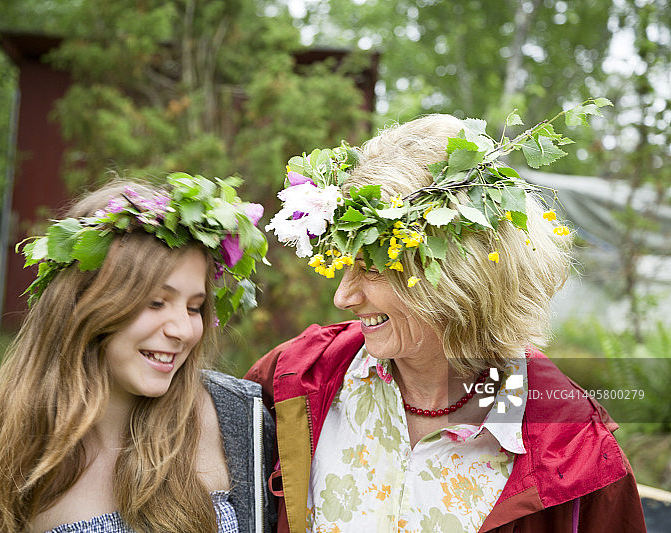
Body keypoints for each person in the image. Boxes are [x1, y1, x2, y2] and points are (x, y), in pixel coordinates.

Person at [251, 108, 646, 532]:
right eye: (346, 263)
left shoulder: (577, 452)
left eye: (372, 268)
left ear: (457, 277)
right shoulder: (295, 378)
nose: (343, 296)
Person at [0, 174, 276, 533]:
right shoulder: (5, 445)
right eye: (156, 303)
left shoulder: (237, 420)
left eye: (193, 308)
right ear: (86, 303)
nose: (183, 331)